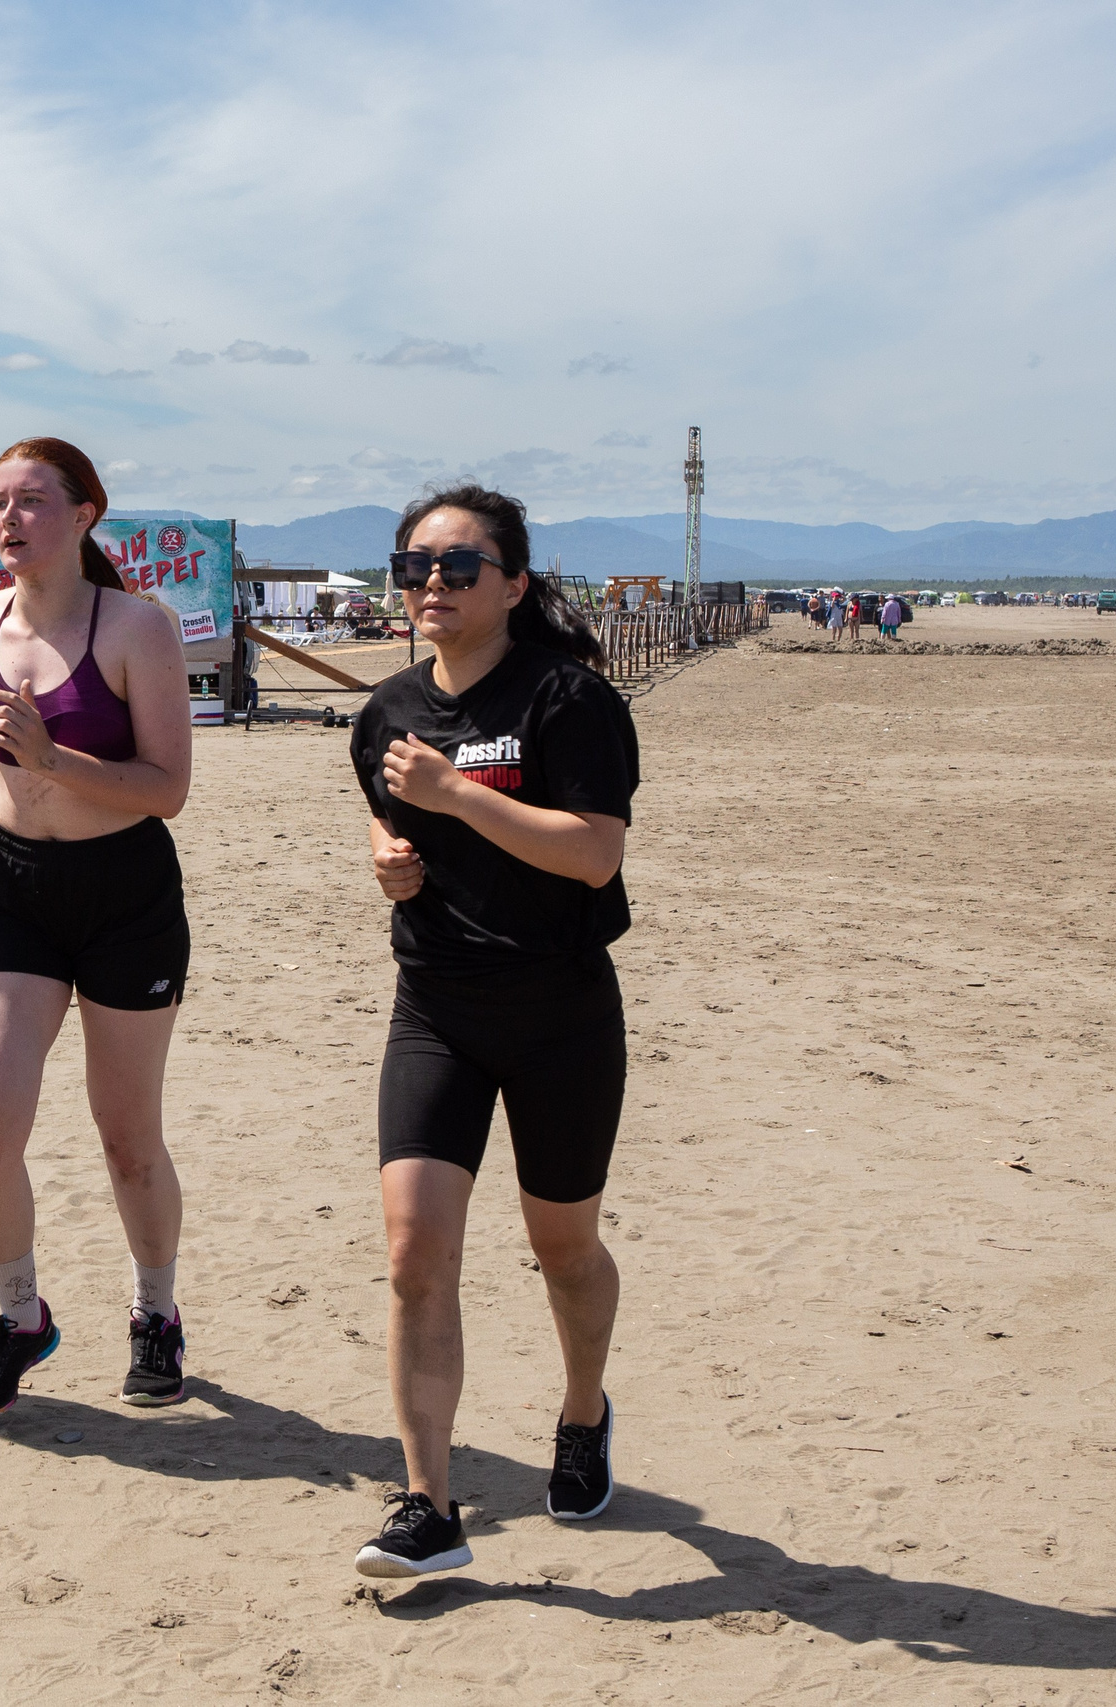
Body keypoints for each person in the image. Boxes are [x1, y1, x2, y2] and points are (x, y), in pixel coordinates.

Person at [347, 483, 639, 1580]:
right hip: (436, 1007)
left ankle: (578, 1413)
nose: (431, 584)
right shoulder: (386, 712)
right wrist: (388, 864)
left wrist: (456, 794)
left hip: (559, 1009)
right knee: (415, 1252)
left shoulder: (569, 702)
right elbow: (392, 834)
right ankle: (428, 1506)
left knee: (562, 1250)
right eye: (414, 565)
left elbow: (592, 854)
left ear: (513, 583)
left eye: (458, 567)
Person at [0, 438, 194, 1417]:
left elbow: (167, 790)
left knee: (127, 1140)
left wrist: (52, 760)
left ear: (86, 513)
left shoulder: (137, 628)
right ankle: (20, 1317)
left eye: (33, 501)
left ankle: (155, 1311)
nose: (10, 520)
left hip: (124, 894)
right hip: (14, 889)